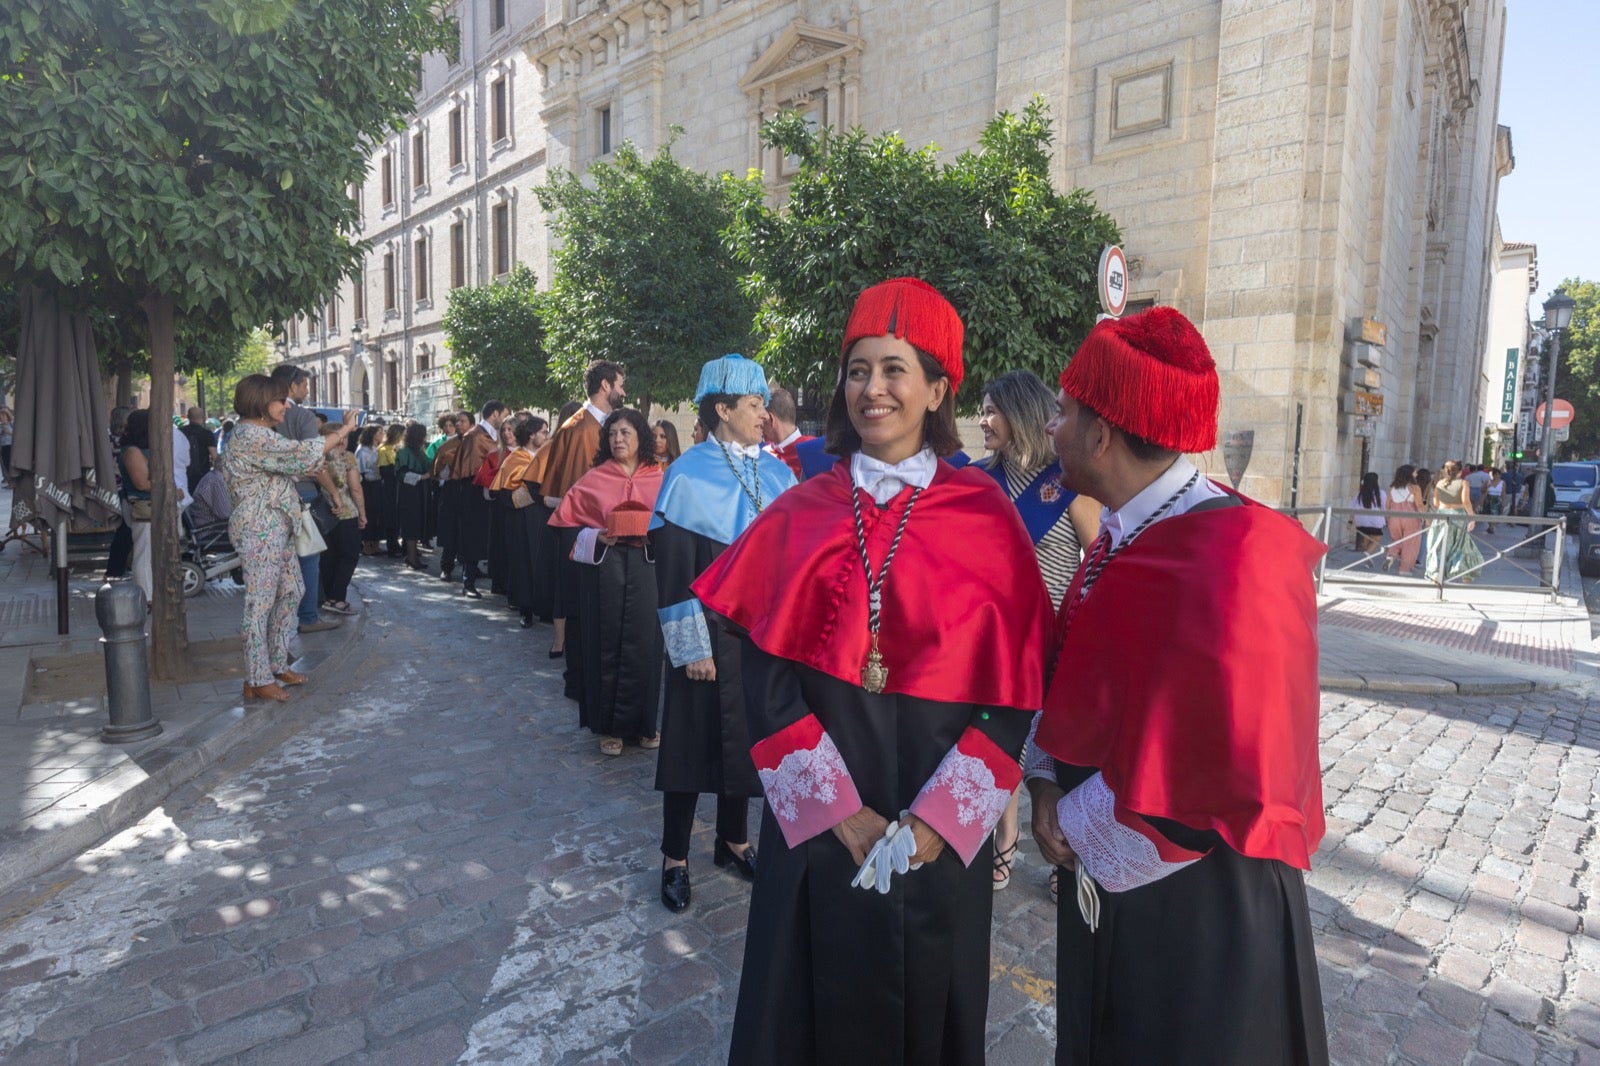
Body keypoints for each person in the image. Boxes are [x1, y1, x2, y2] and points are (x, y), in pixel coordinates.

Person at [694, 280, 1052, 1064]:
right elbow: (763, 675)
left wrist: (940, 822)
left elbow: (1015, 690)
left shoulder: (985, 516)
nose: (873, 389)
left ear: (937, 388)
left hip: (936, 835)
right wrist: (837, 810)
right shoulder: (799, 508)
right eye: (858, 370)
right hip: (821, 832)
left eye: (895, 369)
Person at [1024, 305, 1329, 1065]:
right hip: (1119, 885)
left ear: (1101, 435)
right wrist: (1046, 787)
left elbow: (1231, 764)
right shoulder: (1131, 527)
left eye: (1064, 414)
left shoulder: (1236, 557)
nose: (1052, 430)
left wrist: (1076, 824)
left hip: (1204, 912)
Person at [649, 353, 796, 913]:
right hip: (705, 636)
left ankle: (733, 841)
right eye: (755, 404)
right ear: (722, 409)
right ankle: (674, 858)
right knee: (689, 746)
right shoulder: (686, 474)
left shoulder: (778, 473)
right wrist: (691, 647)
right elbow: (675, 568)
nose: (764, 415)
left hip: (759, 637)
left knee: (748, 744)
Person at [977, 369, 1102, 895]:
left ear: (1020, 414)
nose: (982, 420)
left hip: (1054, 644)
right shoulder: (979, 480)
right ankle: (1005, 833)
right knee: (1000, 737)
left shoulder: (1067, 482)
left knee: (1056, 748)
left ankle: (1062, 848)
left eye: (991, 411)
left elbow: (1099, 560)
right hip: (995, 642)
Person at [219, 376, 356, 701]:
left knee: (292, 590)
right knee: (260, 603)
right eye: (281, 400)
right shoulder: (251, 435)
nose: (286, 406)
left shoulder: (259, 435)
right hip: (259, 527)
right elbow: (303, 451)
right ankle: (257, 677)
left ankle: (276, 665)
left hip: (276, 527)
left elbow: (296, 461)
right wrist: (345, 429)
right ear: (262, 402)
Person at [550, 408, 665, 753]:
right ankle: (609, 728)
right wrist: (597, 536)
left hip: (646, 568)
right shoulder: (593, 479)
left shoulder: (659, 477)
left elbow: (673, 521)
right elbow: (565, 526)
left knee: (646, 644)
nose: (618, 439)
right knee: (606, 644)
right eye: (613, 433)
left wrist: (654, 533)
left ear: (640, 437)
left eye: (625, 433)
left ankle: (645, 725)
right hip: (605, 569)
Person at [537, 363, 627, 665]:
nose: (623, 392)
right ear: (605, 386)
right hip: (585, 532)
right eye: (620, 385)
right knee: (582, 606)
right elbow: (579, 490)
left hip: (600, 532)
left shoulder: (599, 424)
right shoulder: (582, 428)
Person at [270, 365, 340, 634]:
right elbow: (314, 460)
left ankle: (281, 620)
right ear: (292, 386)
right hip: (302, 493)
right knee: (308, 557)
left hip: (272, 494)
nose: (307, 390)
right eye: (304, 385)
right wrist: (334, 493)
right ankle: (308, 616)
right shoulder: (301, 416)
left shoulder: (257, 417)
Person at [494, 417, 552, 626]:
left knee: (544, 560)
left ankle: (545, 607)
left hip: (545, 514)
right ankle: (525, 609)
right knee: (523, 561)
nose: (547, 435)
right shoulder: (515, 459)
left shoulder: (547, 455)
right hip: (521, 517)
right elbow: (501, 491)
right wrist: (522, 498)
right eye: (544, 432)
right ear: (531, 435)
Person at [448, 401, 505, 597]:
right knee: (472, 536)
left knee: (492, 537)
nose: (504, 420)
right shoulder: (475, 436)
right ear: (495, 414)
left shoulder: (492, 435)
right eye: (504, 415)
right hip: (474, 491)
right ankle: (468, 583)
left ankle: (497, 581)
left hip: (492, 491)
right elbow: (470, 467)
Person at [318, 422, 366, 615]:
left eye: (345, 437)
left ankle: (329, 596)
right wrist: (362, 513)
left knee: (329, 557)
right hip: (346, 512)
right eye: (340, 437)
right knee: (350, 555)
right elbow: (356, 489)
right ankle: (337, 599)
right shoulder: (347, 458)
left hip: (322, 514)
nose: (343, 441)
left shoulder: (317, 458)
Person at [117, 410, 157, 601]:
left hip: (151, 505)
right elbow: (142, 483)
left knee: (149, 552)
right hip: (143, 505)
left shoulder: (140, 449)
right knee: (144, 552)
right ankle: (146, 596)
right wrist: (169, 488)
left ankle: (151, 594)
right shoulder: (133, 451)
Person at [1425, 460, 1483, 584]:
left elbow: (1435, 503)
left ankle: (1435, 572)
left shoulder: (1439, 483)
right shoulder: (1463, 483)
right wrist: (1471, 516)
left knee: (1438, 545)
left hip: (1441, 514)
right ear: (1460, 472)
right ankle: (1463, 572)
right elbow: (1466, 501)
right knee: (1460, 544)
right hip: (1457, 515)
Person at [395, 422, 432, 571]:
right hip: (409, 494)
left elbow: (428, 463)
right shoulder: (403, 452)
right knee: (411, 524)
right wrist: (423, 477)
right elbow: (401, 474)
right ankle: (411, 558)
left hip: (419, 492)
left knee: (416, 523)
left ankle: (412, 556)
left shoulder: (418, 451)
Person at [762, 386, 815, 478]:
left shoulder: (813, 451)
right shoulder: (763, 454)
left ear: (771, 419)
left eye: (761, 420)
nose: (758, 425)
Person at [1383, 464, 1424, 575]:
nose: (1416, 474)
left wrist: (1388, 520)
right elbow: (1419, 505)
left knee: (1396, 540)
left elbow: (1387, 506)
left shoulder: (1392, 489)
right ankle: (1404, 569)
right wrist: (1426, 519)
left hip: (1394, 518)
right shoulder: (1415, 488)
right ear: (1410, 474)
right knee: (1410, 543)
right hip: (1411, 518)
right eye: (1415, 472)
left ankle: (1391, 556)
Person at [354, 425, 382, 556]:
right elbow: (360, 471)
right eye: (379, 432)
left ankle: (375, 544)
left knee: (377, 513)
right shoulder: (362, 450)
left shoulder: (378, 449)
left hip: (378, 484)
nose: (382, 435)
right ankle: (366, 544)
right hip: (367, 485)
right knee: (369, 512)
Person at [378, 423, 405, 556]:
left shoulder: (393, 448)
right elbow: (385, 470)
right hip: (389, 486)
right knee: (391, 514)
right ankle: (392, 545)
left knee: (395, 515)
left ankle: (395, 543)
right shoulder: (384, 450)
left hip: (396, 486)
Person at [1350, 471, 1385, 564]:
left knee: (1366, 538)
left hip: (1360, 522)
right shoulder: (1381, 493)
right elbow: (1384, 508)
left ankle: (1367, 558)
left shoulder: (1359, 494)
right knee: (1377, 540)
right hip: (1375, 522)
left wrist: (1350, 521)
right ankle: (1368, 554)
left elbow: (1351, 508)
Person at [0, 406, 13, 483]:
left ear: (7, 416)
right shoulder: (1, 426)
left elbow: (16, 434)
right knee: (6, 464)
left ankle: (13, 482)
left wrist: (8, 432)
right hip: (4, 447)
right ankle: (10, 481)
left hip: (11, 446)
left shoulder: (11, 424)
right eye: (0, 416)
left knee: (10, 464)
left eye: (3, 416)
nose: (1, 417)